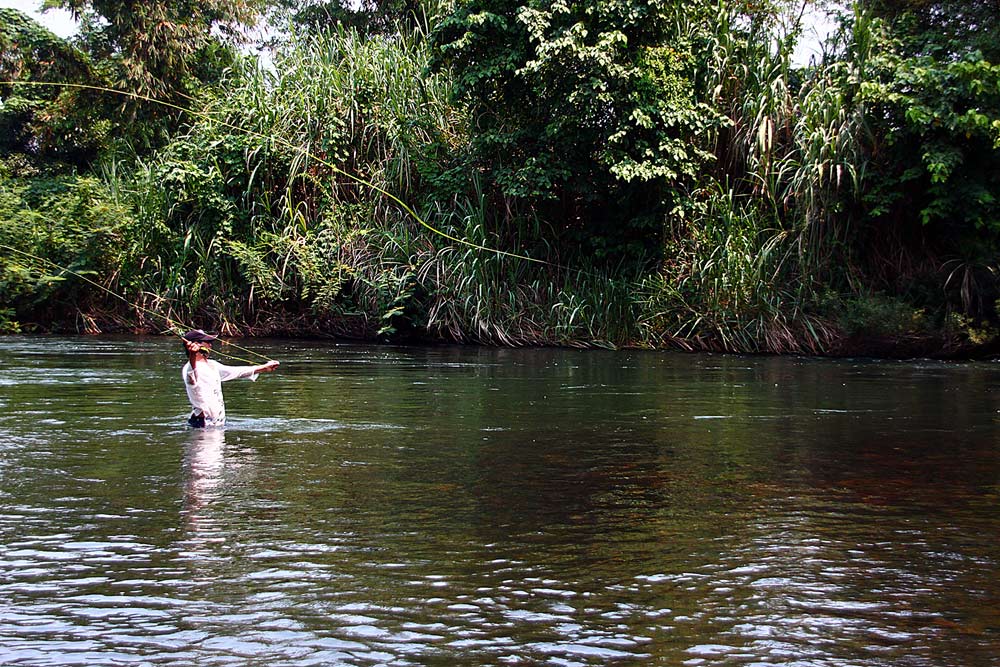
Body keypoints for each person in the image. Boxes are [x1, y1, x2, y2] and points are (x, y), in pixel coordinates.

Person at [181, 329, 279, 427]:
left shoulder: (212, 365)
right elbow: (191, 379)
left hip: (217, 422)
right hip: (202, 423)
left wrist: (264, 368)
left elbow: (237, 372)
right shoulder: (189, 368)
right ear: (195, 344)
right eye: (208, 342)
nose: (210, 345)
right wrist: (192, 356)